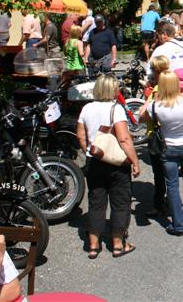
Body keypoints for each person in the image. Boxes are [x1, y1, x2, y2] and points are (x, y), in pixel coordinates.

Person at [76, 75, 140, 258]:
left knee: (96, 202)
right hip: (115, 163)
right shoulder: (116, 109)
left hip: (94, 160)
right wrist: (135, 161)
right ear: (113, 90)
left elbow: (80, 136)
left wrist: (89, 150)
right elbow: (124, 138)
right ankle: (118, 244)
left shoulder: (86, 108)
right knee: (120, 202)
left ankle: (93, 245)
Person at [146, 71, 183, 235]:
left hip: (168, 147)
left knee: (172, 184)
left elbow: (141, 118)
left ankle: (177, 224)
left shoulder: (156, 105)